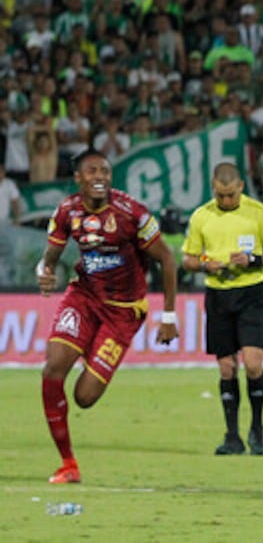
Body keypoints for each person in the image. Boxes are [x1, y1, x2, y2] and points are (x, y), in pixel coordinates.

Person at [37, 149, 179, 484]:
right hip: (83, 297)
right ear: (78, 178)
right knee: (53, 368)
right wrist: (44, 272)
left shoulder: (132, 214)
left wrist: (169, 315)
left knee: (84, 398)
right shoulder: (67, 211)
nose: (99, 176)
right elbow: (50, 258)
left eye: (105, 170)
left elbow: (168, 260)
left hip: (124, 312)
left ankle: (94, 351)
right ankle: (68, 464)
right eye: (92, 171)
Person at [181, 162, 263, 457]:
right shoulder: (201, 216)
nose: (226, 200)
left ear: (241, 186)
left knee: (253, 364)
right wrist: (205, 265)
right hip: (217, 295)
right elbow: (188, 259)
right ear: (213, 188)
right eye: (220, 195)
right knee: (226, 367)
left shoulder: (259, 213)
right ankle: (232, 436)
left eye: (230, 194)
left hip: (250, 293)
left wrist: (251, 261)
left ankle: (258, 429)